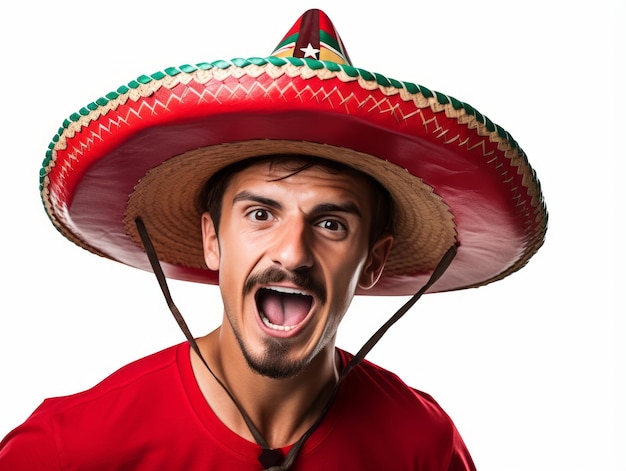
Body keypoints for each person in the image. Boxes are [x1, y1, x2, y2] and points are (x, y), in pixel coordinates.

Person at [0, 9, 547, 471]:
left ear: (373, 261)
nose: (292, 252)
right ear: (212, 240)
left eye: (331, 224)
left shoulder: (422, 446)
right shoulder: (71, 448)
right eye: (261, 214)